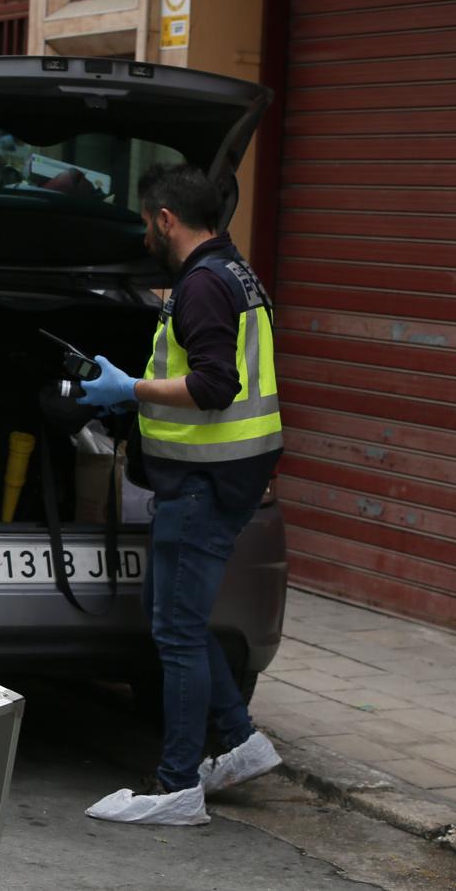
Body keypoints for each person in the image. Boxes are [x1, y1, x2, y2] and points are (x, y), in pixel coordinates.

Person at [77, 162, 284, 826]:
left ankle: (177, 787)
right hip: (224, 474)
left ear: (166, 219)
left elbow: (215, 384)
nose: (145, 233)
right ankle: (243, 743)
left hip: (205, 479)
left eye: (146, 222)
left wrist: (127, 389)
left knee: (175, 630)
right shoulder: (233, 271)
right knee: (174, 619)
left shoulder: (200, 286)